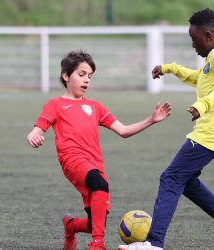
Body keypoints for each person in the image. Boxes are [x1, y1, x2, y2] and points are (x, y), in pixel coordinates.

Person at [118, 8, 214, 250]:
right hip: (212, 131)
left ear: (208, 36)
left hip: (213, 132)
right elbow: (201, 78)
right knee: (184, 180)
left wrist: (203, 104)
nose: (193, 45)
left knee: (171, 177)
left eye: (194, 39)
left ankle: (154, 243)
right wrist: (170, 68)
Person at [26, 50, 171, 250]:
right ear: (66, 76)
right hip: (72, 160)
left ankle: (71, 225)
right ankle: (97, 245)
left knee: (97, 222)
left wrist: (151, 120)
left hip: (95, 164)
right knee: (99, 184)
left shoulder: (95, 107)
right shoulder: (55, 105)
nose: (87, 80)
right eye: (81, 74)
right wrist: (33, 135)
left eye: (90, 76)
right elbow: (38, 127)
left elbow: (123, 130)